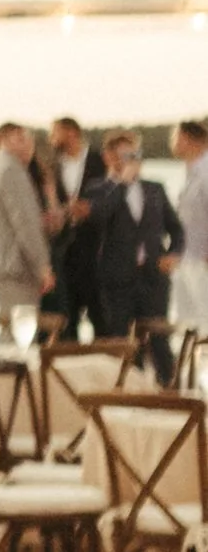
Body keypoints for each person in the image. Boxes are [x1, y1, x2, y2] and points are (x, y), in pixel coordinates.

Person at [90, 126, 181, 380]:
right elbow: (99, 217)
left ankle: (171, 392)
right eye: (127, 155)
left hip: (153, 278)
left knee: (160, 342)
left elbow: (176, 228)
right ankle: (131, 392)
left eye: (136, 154)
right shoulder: (98, 190)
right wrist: (121, 183)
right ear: (110, 157)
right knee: (123, 342)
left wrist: (173, 253)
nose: (134, 160)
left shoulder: (155, 189)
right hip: (117, 280)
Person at [0, 121, 52, 327]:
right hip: (14, 267)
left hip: (0, 264)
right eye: (21, 140)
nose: (29, 146)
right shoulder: (11, 171)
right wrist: (42, 266)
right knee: (21, 331)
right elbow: (25, 223)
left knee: (12, 328)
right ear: (5, 140)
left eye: (30, 141)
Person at [46, 114, 106, 339]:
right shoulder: (51, 165)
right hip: (63, 254)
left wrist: (90, 209)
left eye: (55, 132)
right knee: (67, 318)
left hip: (97, 252)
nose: (51, 138)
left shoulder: (101, 160)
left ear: (71, 132)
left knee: (102, 317)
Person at [176, 117, 208, 342]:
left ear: (188, 139)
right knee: (190, 322)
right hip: (186, 257)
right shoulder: (190, 172)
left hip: (202, 258)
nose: (174, 143)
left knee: (205, 320)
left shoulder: (205, 172)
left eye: (177, 138)